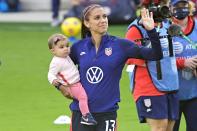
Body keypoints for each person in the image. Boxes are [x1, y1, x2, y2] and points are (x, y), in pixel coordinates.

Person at [58, 4, 164, 131]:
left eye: (104, 16)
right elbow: (57, 67)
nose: (103, 20)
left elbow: (156, 54)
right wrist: (61, 87)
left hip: (107, 114)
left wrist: (151, 31)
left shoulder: (121, 45)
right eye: (97, 18)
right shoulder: (78, 47)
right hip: (81, 114)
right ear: (87, 23)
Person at [125, 0, 179, 131]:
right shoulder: (136, 28)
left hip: (171, 83)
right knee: (159, 128)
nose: (164, 7)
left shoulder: (167, 24)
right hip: (149, 85)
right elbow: (129, 57)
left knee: (169, 128)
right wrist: (151, 51)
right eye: (161, 4)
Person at [47, 33, 97, 125]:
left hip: (77, 83)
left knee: (84, 97)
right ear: (53, 51)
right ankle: (86, 116)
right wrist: (58, 84)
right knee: (83, 97)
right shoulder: (56, 62)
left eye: (67, 46)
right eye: (61, 47)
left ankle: (85, 114)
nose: (66, 48)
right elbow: (50, 74)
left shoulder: (65, 57)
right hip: (71, 85)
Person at [169, 0, 197, 131]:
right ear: (170, 8)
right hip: (170, 94)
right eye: (177, 6)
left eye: (183, 5)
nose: (181, 9)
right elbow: (157, 59)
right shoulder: (164, 28)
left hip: (194, 94)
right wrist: (182, 63)